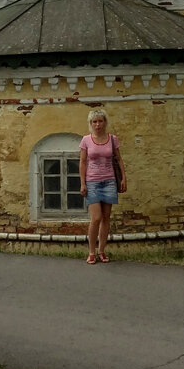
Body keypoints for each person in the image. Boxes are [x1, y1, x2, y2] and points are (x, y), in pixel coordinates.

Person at [78, 108, 126, 264]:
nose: (97, 124)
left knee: (106, 218)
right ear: (90, 124)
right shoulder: (86, 140)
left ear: (105, 122)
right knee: (96, 218)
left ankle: (102, 251)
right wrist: (82, 183)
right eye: (94, 122)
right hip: (92, 182)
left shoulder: (112, 139)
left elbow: (119, 159)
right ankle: (91, 252)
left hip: (109, 181)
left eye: (100, 121)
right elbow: (83, 162)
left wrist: (123, 178)